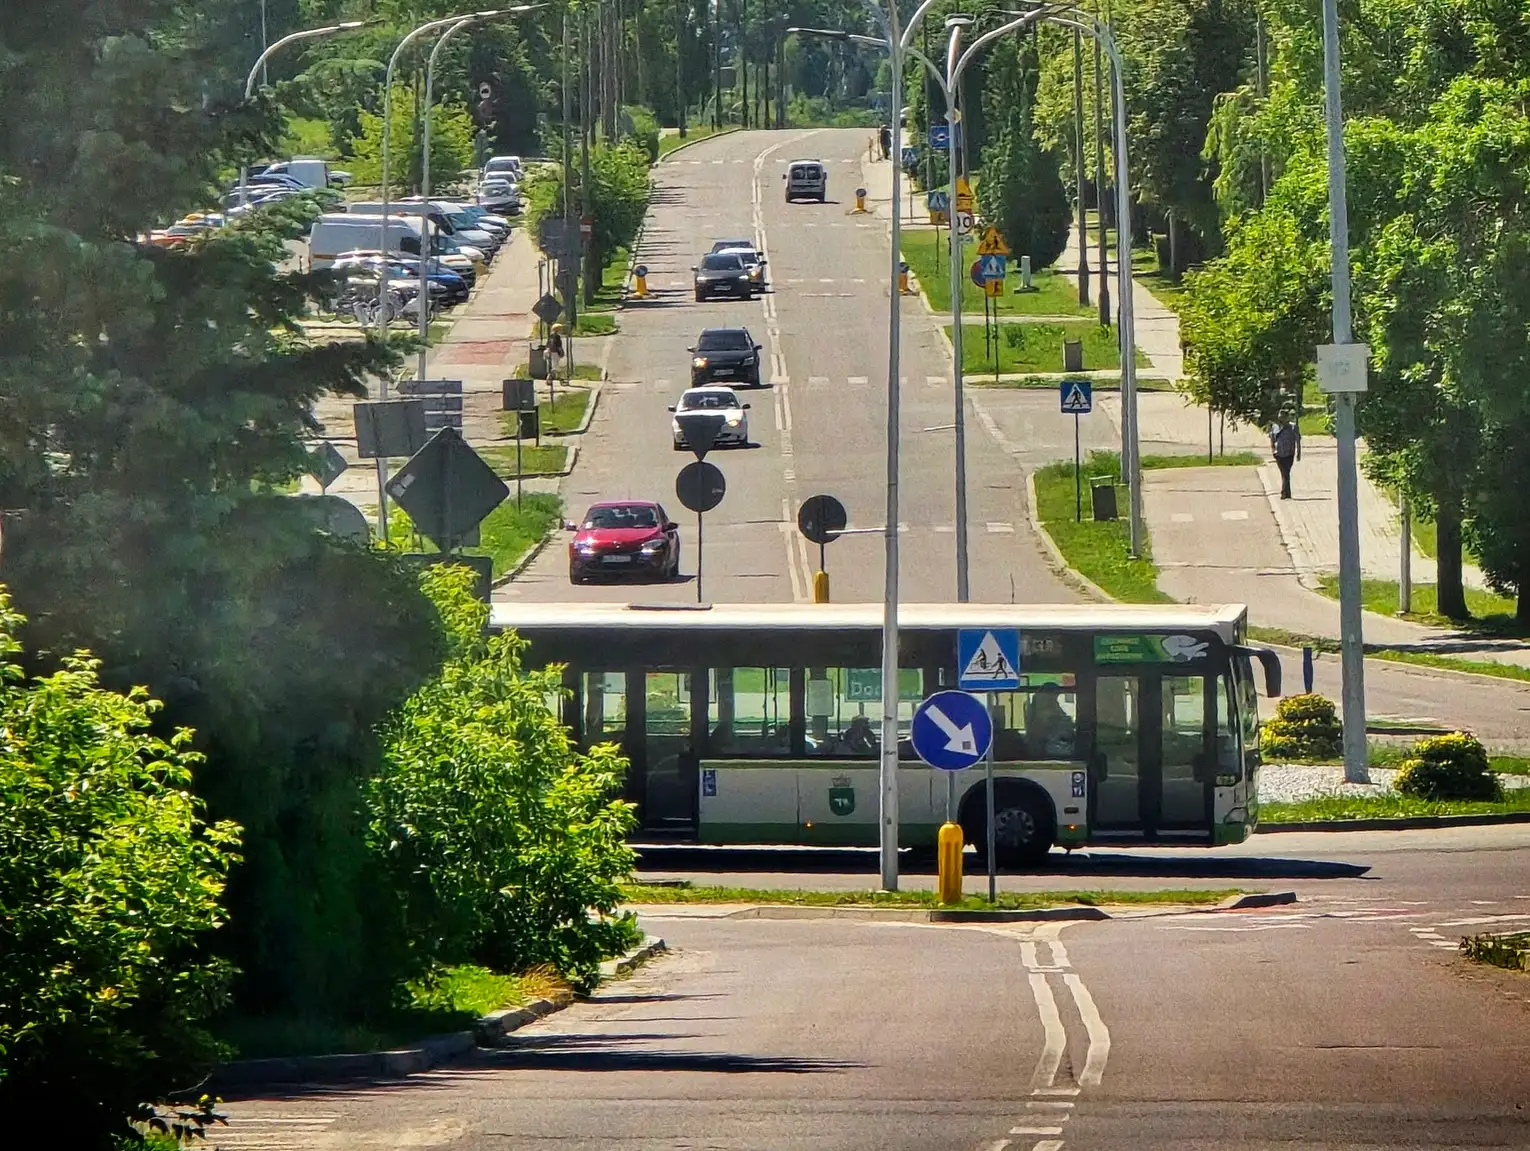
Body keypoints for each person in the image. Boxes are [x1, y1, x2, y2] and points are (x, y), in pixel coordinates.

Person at [1269, 416, 1301, 499]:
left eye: (1283, 418)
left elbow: (1298, 440)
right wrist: (1273, 450)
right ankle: (1286, 493)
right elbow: (1272, 439)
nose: (1282, 420)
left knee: (1286, 472)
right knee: (1284, 473)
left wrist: (1298, 453)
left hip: (1289, 453)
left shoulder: (1293, 427)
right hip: (1278, 454)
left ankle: (1284, 493)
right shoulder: (1275, 427)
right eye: (1280, 418)